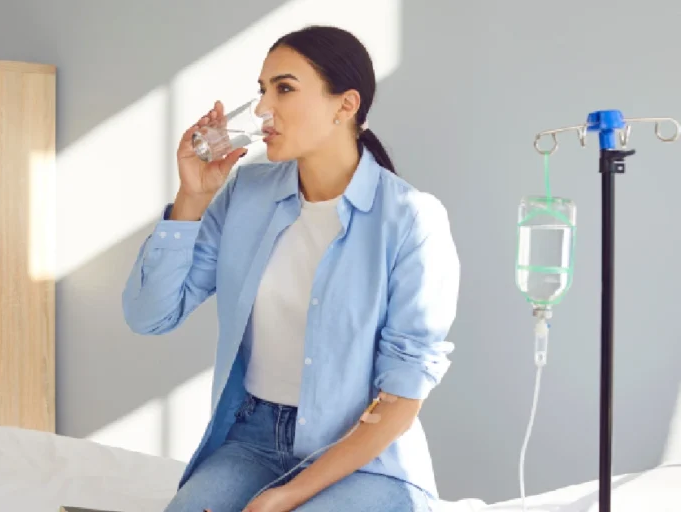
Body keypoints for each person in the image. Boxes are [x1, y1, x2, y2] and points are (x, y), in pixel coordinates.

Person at [122, 24, 460, 512]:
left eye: (284, 89)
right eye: (263, 91)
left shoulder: (411, 218)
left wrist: (284, 499)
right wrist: (192, 198)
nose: (262, 109)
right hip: (253, 439)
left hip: (363, 454)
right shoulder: (245, 193)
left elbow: (399, 404)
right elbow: (150, 316)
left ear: (346, 104)